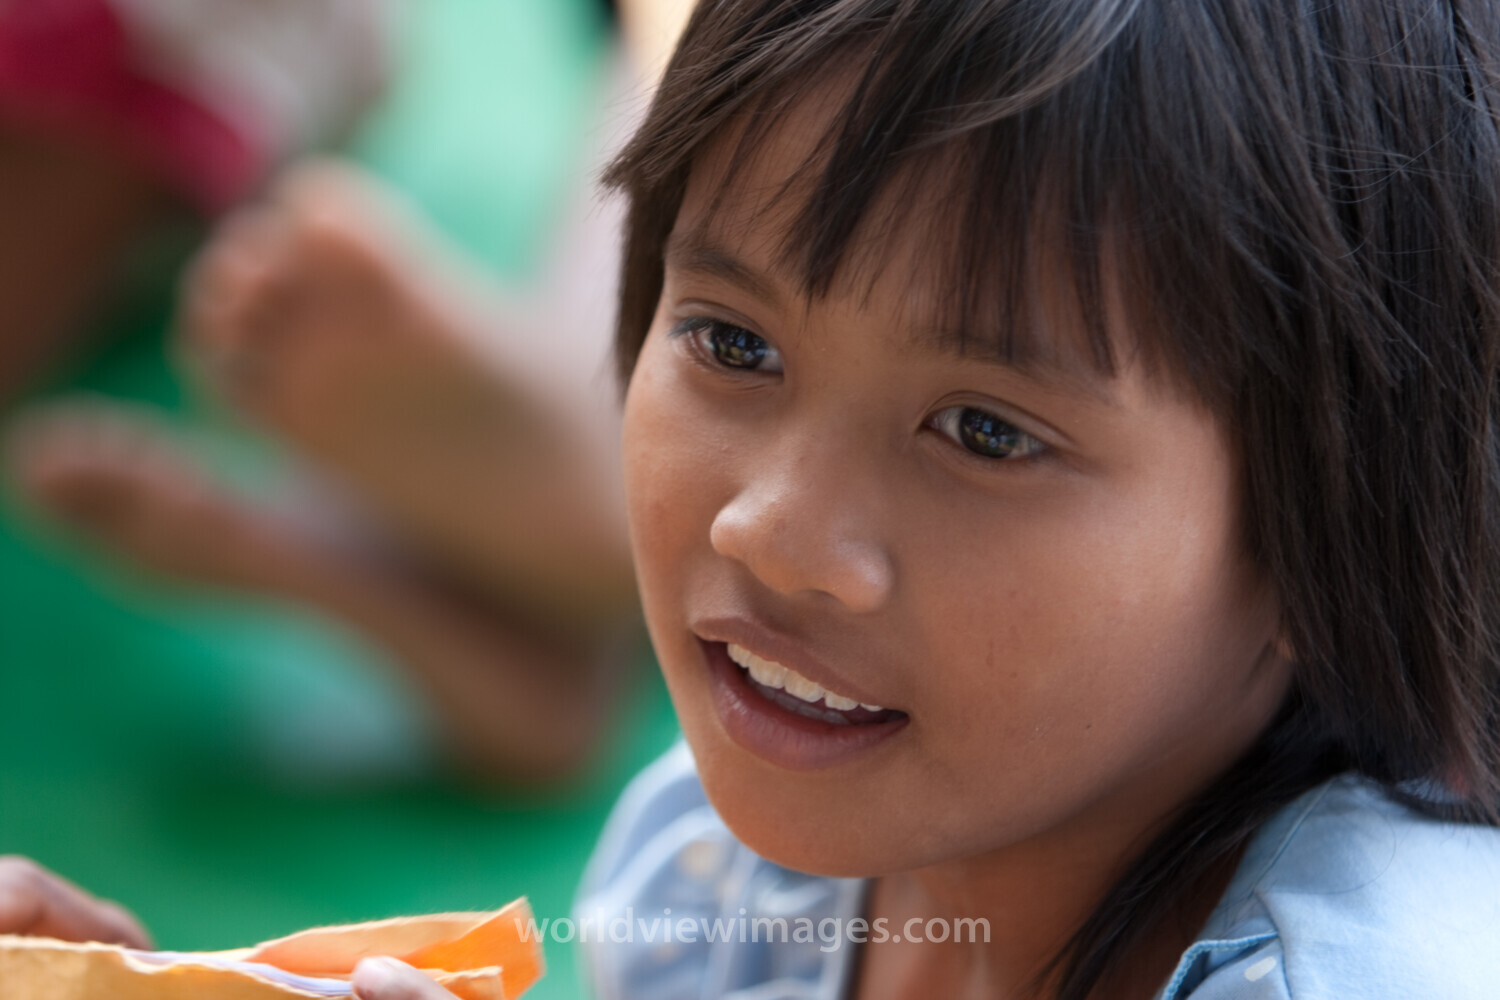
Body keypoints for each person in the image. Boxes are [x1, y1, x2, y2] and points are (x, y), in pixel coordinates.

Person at [9, 0, 1500, 997]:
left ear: (1336, 512)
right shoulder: (726, 883)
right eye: (731, 342)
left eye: (983, 430)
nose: (769, 531)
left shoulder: (1378, 972)